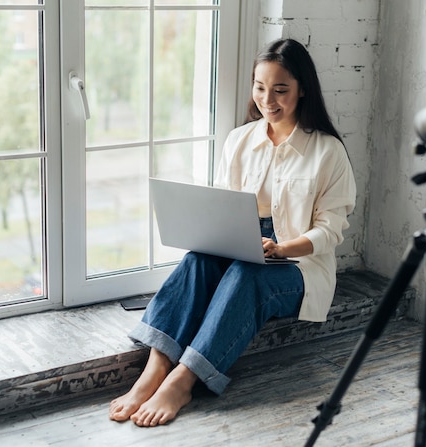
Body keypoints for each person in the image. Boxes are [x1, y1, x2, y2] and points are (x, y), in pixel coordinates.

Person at [109, 38, 356, 427]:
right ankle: (154, 369)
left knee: (247, 274)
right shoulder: (240, 139)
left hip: (298, 263)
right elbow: (224, 208)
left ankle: (182, 380)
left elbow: (330, 232)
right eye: (260, 87)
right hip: (244, 242)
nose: (268, 99)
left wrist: (280, 247)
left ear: (302, 89)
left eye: (280, 89)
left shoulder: (327, 152)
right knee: (197, 261)